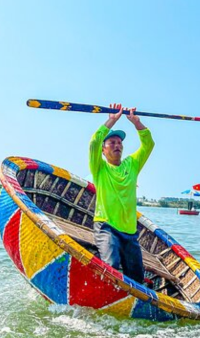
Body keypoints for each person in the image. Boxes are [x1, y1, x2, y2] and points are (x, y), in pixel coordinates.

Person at [89, 103, 154, 284]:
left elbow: (148, 144)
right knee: (111, 265)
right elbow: (94, 142)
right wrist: (111, 120)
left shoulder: (132, 164)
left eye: (119, 143)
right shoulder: (99, 168)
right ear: (104, 150)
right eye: (112, 142)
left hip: (130, 232)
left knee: (137, 279)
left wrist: (136, 123)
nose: (117, 145)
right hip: (106, 226)